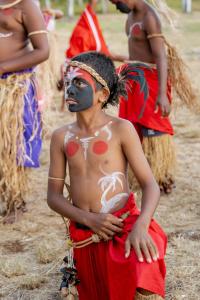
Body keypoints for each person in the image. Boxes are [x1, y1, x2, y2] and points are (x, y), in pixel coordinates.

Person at [47, 51, 167, 300]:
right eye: (68, 81)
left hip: (122, 225)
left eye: (79, 83)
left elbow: (150, 185)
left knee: (143, 264)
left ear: (102, 94)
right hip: (86, 231)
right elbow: (53, 198)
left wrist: (141, 227)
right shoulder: (61, 136)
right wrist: (88, 219)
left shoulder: (121, 129)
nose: (70, 88)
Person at [110, 0, 197, 193]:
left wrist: (161, 95)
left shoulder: (149, 17)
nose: (116, 5)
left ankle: (161, 174)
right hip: (134, 80)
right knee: (133, 126)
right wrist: (116, 56)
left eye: (116, 1)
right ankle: (143, 174)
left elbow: (160, 57)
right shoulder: (131, 16)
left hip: (150, 82)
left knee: (153, 125)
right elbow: (138, 53)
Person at [0, 0, 49, 223]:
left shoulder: (27, 6)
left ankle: (15, 202)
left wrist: (2, 68)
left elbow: (43, 50)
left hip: (14, 87)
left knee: (14, 145)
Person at [58, 0, 128, 111]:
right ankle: (62, 107)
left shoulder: (86, 27)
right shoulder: (85, 27)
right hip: (77, 59)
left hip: (79, 58)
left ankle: (63, 106)